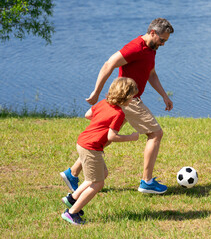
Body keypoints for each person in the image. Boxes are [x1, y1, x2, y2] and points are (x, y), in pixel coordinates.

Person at [60, 18, 174, 194]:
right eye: (162, 40)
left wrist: (164, 96)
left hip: (128, 100)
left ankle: (72, 173)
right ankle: (147, 182)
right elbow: (109, 63)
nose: (164, 44)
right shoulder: (135, 47)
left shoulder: (151, 48)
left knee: (103, 140)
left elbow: (151, 73)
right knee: (155, 134)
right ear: (152, 33)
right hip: (129, 99)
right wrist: (96, 92)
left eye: (165, 40)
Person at [61, 77, 140, 225]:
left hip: (84, 143)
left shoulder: (103, 103)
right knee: (97, 183)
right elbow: (112, 136)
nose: (132, 100)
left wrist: (101, 121)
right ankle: (72, 213)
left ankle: (72, 199)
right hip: (91, 148)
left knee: (102, 174)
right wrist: (131, 137)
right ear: (125, 97)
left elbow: (88, 115)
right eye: (132, 97)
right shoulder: (119, 113)